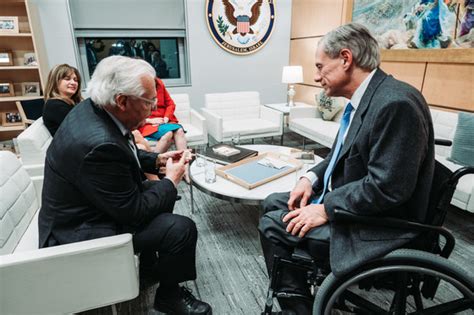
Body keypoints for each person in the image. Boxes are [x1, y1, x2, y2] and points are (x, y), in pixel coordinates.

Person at [258, 23, 435, 314]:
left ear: (345, 58)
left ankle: (297, 308)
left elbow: (387, 188)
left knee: (273, 225)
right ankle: (299, 281)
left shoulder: (395, 104)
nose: (316, 77)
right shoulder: (371, 97)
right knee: (272, 202)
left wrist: (325, 208)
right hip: (357, 202)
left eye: (319, 66)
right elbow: (343, 155)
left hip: (382, 225)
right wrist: (310, 177)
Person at [38, 55, 212, 315]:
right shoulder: (98, 143)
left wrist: (157, 160)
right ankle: (169, 297)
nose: (153, 108)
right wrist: (172, 179)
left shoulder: (94, 110)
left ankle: (150, 267)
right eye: (149, 101)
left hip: (87, 206)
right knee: (181, 228)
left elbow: (123, 151)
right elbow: (135, 212)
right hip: (77, 230)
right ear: (122, 101)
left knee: (158, 194)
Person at [137, 77, 187, 154]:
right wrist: (149, 121)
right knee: (168, 134)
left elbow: (170, 104)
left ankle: (184, 162)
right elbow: (133, 113)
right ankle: (154, 161)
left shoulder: (159, 83)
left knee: (179, 131)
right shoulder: (137, 88)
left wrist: (166, 118)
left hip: (164, 121)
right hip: (147, 124)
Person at [42, 64, 82, 136]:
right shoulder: (55, 106)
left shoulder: (71, 102)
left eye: (76, 80)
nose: (73, 83)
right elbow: (79, 130)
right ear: (55, 82)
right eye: (67, 79)